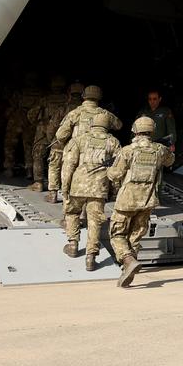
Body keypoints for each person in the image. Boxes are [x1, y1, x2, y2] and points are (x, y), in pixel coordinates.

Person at [106, 116, 175, 287]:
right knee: (135, 236)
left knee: (117, 234)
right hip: (147, 200)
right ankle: (127, 269)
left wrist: (108, 169)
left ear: (135, 130)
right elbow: (171, 160)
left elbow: (115, 175)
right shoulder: (160, 150)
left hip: (126, 201)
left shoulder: (127, 151)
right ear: (152, 130)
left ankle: (128, 260)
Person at [59, 113, 120, 270]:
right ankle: (91, 257)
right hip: (99, 188)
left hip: (78, 186)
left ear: (92, 124)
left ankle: (73, 245)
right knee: (95, 221)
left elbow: (68, 166)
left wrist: (65, 187)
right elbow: (117, 170)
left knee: (72, 213)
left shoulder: (79, 140)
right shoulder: (113, 142)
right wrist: (115, 190)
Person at [27, 75, 73, 193]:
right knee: (61, 157)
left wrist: (36, 123)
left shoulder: (44, 99)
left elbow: (31, 115)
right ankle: (61, 183)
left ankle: (38, 182)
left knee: (38, 154)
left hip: (44, 129)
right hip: (62, 131)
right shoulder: (67, 100)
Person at [45, 81, 85, 202]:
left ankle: (53, 193)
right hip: (79, 145)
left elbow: (52, 127)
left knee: (54, 166)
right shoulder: (89, 112)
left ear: (69, 93)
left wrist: (51, 140)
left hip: (60, 143)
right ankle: (70, 194)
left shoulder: (63, 109)